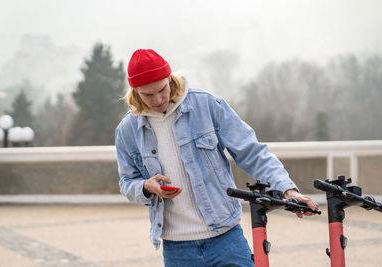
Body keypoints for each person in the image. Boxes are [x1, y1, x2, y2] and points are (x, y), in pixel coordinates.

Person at [115, 49, 319, 267]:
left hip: (225, 238)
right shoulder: (127, 130)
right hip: (176, 248)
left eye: (162, 89)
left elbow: (252, 152)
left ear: (170, 79)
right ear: (135, 92)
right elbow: (127, 182)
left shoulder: (207, 105)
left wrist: (288, 189)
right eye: (147, 95)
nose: (157, 99)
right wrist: (146, 186)